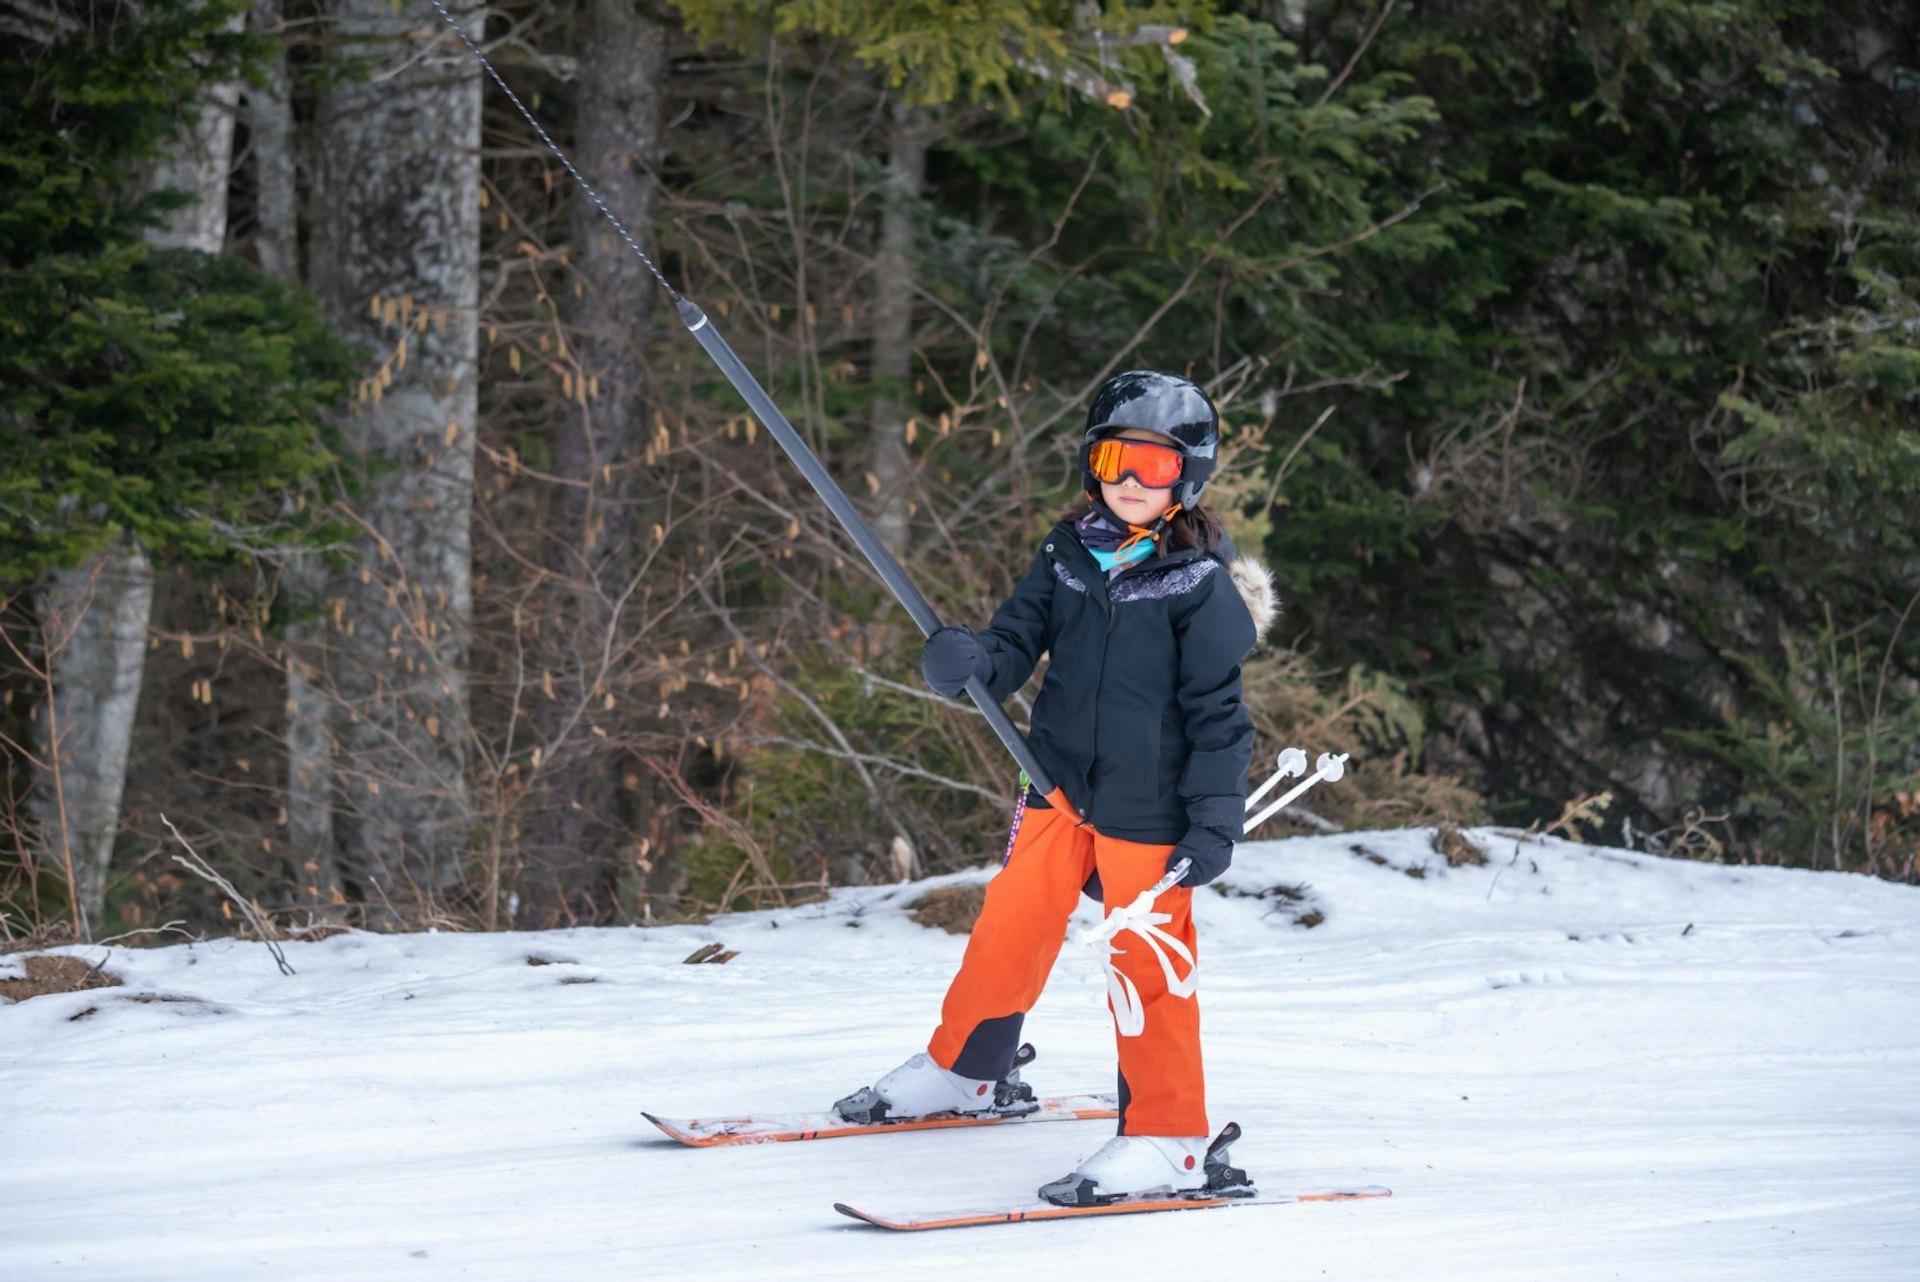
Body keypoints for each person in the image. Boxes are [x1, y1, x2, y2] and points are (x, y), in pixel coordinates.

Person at [833, 370, 1277, 1205]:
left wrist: (1216, 817)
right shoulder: (1067, 554)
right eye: (1116, 459)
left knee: (1144, 965)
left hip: (1150, 810)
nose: (1131, 482)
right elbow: (1015, 637)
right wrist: (970, 664)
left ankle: (1171, 1138)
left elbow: (1222, 718)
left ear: (1188, 478)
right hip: (1058, 787)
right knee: (1011, 925)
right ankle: (968, 1069)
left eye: (1154, 466)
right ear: (1091, 463)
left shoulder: (1198, 588)